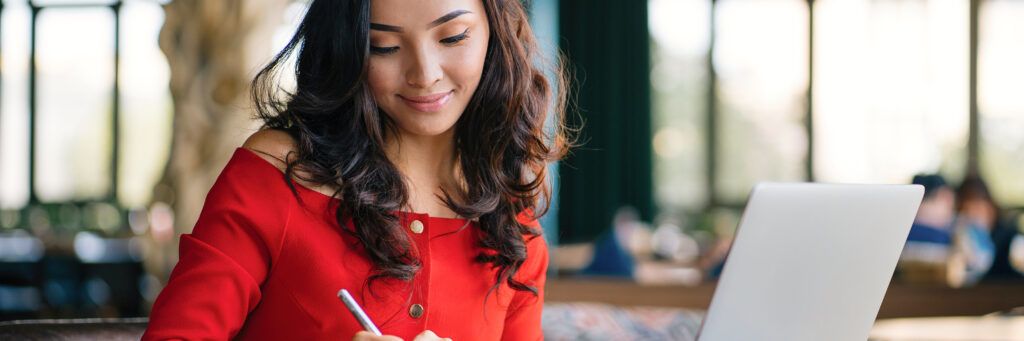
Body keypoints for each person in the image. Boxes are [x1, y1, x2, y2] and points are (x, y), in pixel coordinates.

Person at [143, 0, 571, 340]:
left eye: (453, 37)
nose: (424, 74)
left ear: (495, 32)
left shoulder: (512, 221)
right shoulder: (279, 173)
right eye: (383, 46)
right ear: (347, 49)